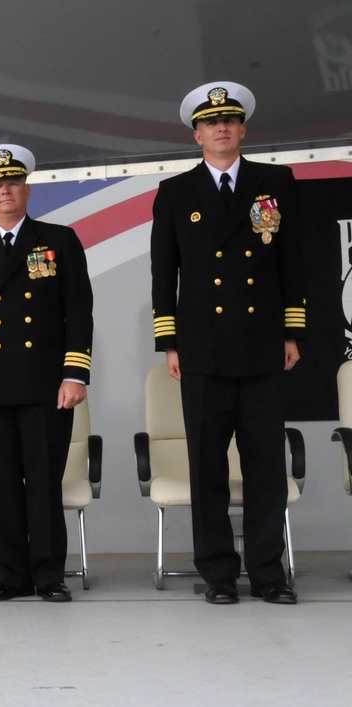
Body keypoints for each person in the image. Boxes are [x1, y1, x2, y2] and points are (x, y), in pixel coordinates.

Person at [150, 81, 304, 605]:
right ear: (197, 135)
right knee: (208, 466)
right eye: (211, 123)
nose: (221, 128)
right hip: (202, 349)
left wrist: (292, 331)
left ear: (243, 130)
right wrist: (169, 342)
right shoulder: (175, 193)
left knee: (265, 466)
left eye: (230, 121)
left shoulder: (275, 182)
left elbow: (293, 261)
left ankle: (267, 573)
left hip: (263, 344)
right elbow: (162, 272)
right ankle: (218, 573)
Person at [0, 145, 94, 602]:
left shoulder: (59, 240)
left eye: (12, 183)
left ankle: (49, 575)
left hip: (47, 385)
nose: (5, 190)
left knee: (44, 482)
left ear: (27, 190)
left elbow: (79, 313)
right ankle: (12, 573)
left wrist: (76, 373)